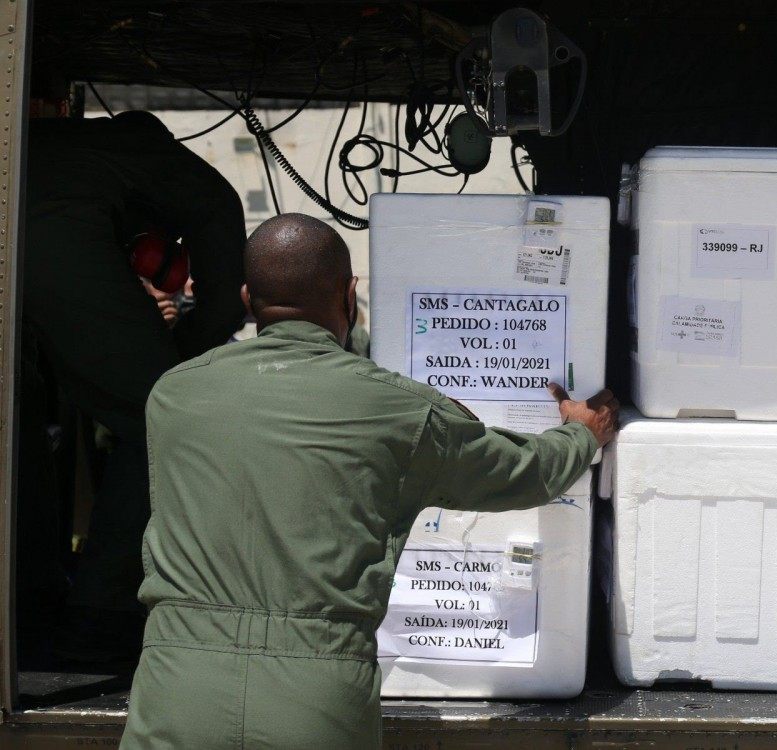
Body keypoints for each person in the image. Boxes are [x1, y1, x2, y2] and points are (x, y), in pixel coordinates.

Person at [121, 213, 618, 749]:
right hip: (313, 702)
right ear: (349, 292)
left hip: (175, 685)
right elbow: (522, 474)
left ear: (247, 297)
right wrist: (581, 434)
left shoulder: (174, 396)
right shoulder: (400, 410)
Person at [23, 110, 246, 661]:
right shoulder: (166, 165)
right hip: (53, 225)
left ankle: (29, 594)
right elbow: (222, 232)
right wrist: (197, 340)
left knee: (20, 420)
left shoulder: (92, 158)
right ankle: (102, 610)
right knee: (161, 419)